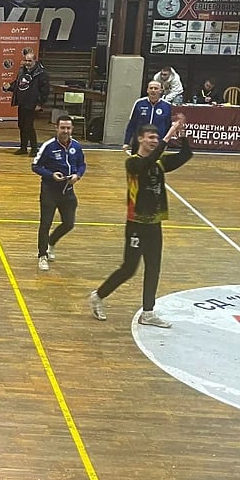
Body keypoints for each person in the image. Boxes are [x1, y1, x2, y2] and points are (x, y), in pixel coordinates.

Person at [89, 116, 192, 328]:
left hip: (154, 223)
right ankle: (98, 295)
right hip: (136, 224)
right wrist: (169, 134)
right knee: (129, 268)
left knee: (153, 267)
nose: (154, 141)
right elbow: (147, 162)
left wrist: (182, 135)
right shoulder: (133, 163)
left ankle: (148, 312)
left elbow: (186, 155)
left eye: (156, 137)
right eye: (151, 137)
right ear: (140, 139)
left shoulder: (159, 163)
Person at [32, 115, 86, 272]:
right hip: (49, 191)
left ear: (72, 129)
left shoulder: (76, 146)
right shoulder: (48, 146)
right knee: (45, 224)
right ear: (56, 128)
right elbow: (35, 166)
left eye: (68, 128)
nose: (65, 131)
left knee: (69, 223)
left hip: (68, 191)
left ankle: (51, 242)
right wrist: (51, 175)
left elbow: (82, 164)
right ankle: (42, 255)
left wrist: (78, 175)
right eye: (62, 128)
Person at [4, 49, 50, 157]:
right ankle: (23, 148)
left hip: (32, 103)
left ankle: (34, 149)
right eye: (26, 60)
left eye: (30, 61)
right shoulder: (22, 71)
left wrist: (40, 104)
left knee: (29, 126)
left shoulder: (41, 73)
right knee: (21, 125)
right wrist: (8, 87)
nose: (27, 63)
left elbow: (45, 90)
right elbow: (18, 84)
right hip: (22, 102)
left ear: (35, 61)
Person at [123, 81, 172, 153]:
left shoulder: (167, 106)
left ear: (160, 91)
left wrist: (165, 143)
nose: (153, 90)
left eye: (156, 88)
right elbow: (132, 124)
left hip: (157, 143)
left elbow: (168, 126)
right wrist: (126, 142)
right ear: (147, 90)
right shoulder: (139, 103)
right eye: (151, 88)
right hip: (140, 142)